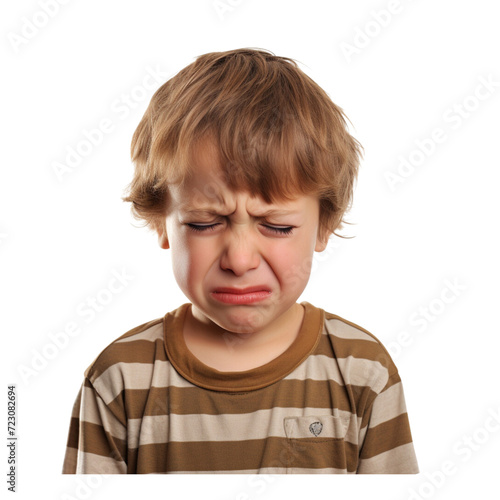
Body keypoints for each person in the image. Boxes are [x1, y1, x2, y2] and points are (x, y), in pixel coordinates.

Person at [62, 48, 419, 474]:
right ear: (161, 221)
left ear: (324, 225)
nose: (240, 258)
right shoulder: (118, 381)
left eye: (278, 226)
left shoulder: (363, 372)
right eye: (204, 222)